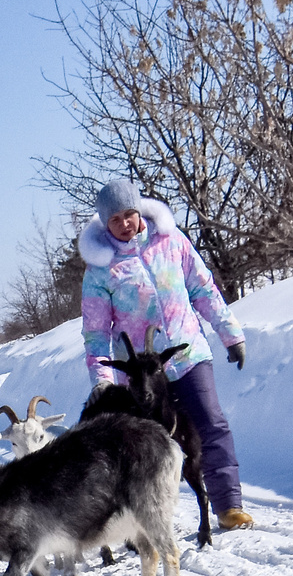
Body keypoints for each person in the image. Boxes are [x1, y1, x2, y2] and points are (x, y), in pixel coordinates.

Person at [79, 180, 254, 530]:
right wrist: (103, 379)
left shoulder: (171, 241)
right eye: (115, 219)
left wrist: (230, 333)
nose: (125, 223)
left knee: (210, 422)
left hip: (187, 354)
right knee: (148, 447)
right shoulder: (101, 270)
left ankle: (228, 505)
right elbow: (96, 333)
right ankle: (147, 522)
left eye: (129, 213)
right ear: (105, 224)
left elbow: (203, 288)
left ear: (139, 210)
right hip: (142, 373)